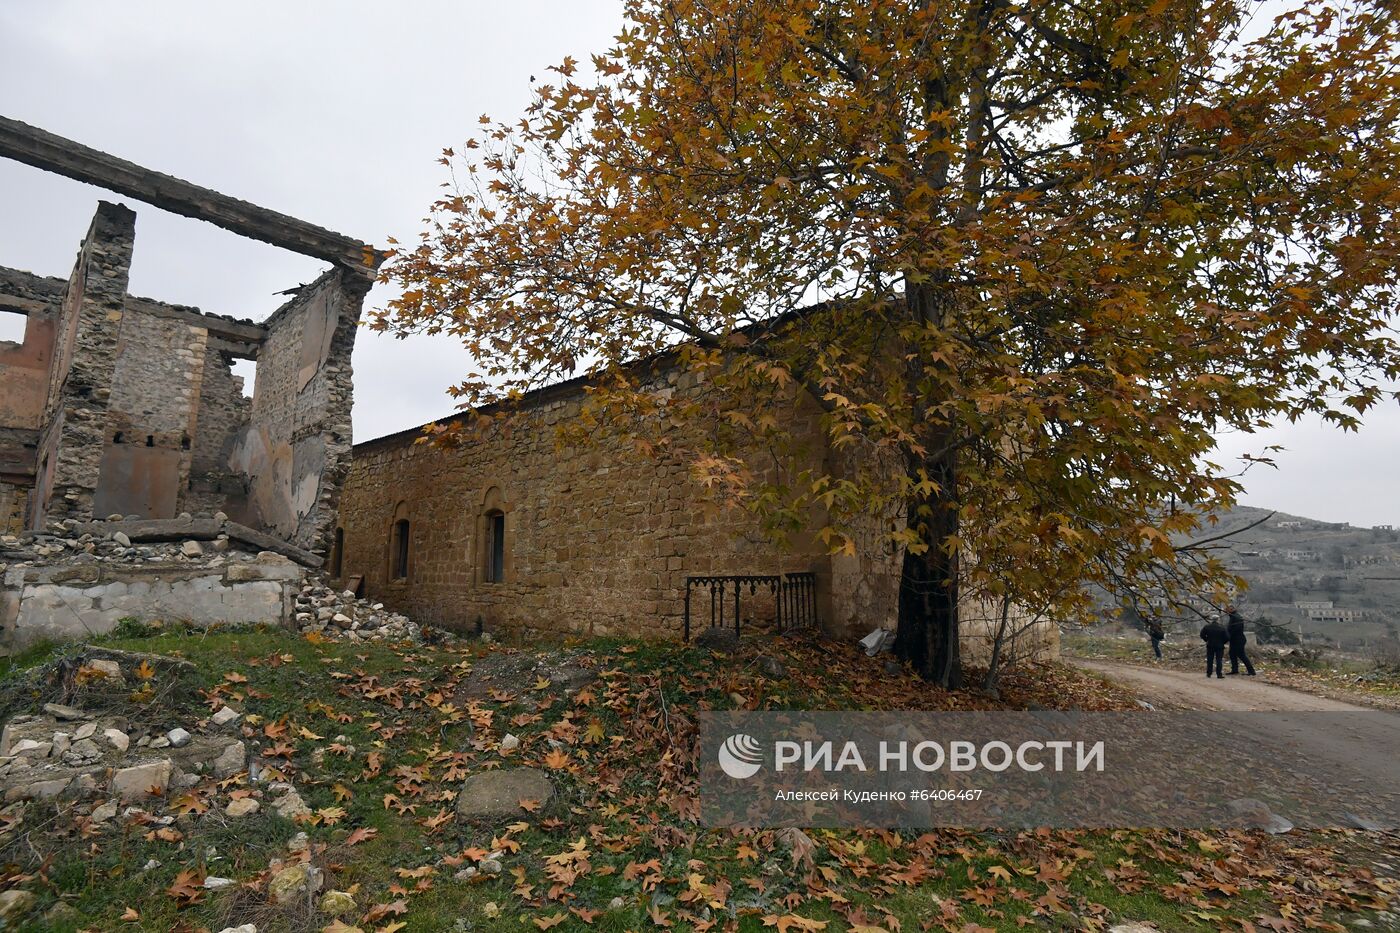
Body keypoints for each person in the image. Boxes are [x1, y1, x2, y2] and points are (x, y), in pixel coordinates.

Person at [1226, 604, 1256, 675]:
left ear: (1232, 609)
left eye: (1227, 610)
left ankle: (1251, 671)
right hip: (1234, 639)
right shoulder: (1234, 617)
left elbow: (1235, 629)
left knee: (1241, 655)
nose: (1226, 611)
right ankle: (1234, 670)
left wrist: (1228, 635)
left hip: (1238, 639)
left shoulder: (1236, 617)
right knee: (1232, 654)